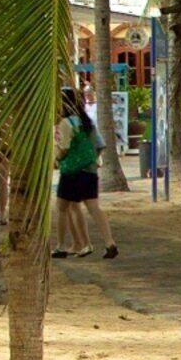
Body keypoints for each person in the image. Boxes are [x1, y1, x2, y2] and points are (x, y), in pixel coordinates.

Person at [52, 83, 113, 258]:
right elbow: (100, 145)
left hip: (71, 171)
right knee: (93, 208)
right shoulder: (87, 123)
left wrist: (57, 158)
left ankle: (63, 245)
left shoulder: (65, 122)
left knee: (63, 207)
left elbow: (63, 148)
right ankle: (108, 242)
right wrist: (91, 159)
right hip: (90, 170)